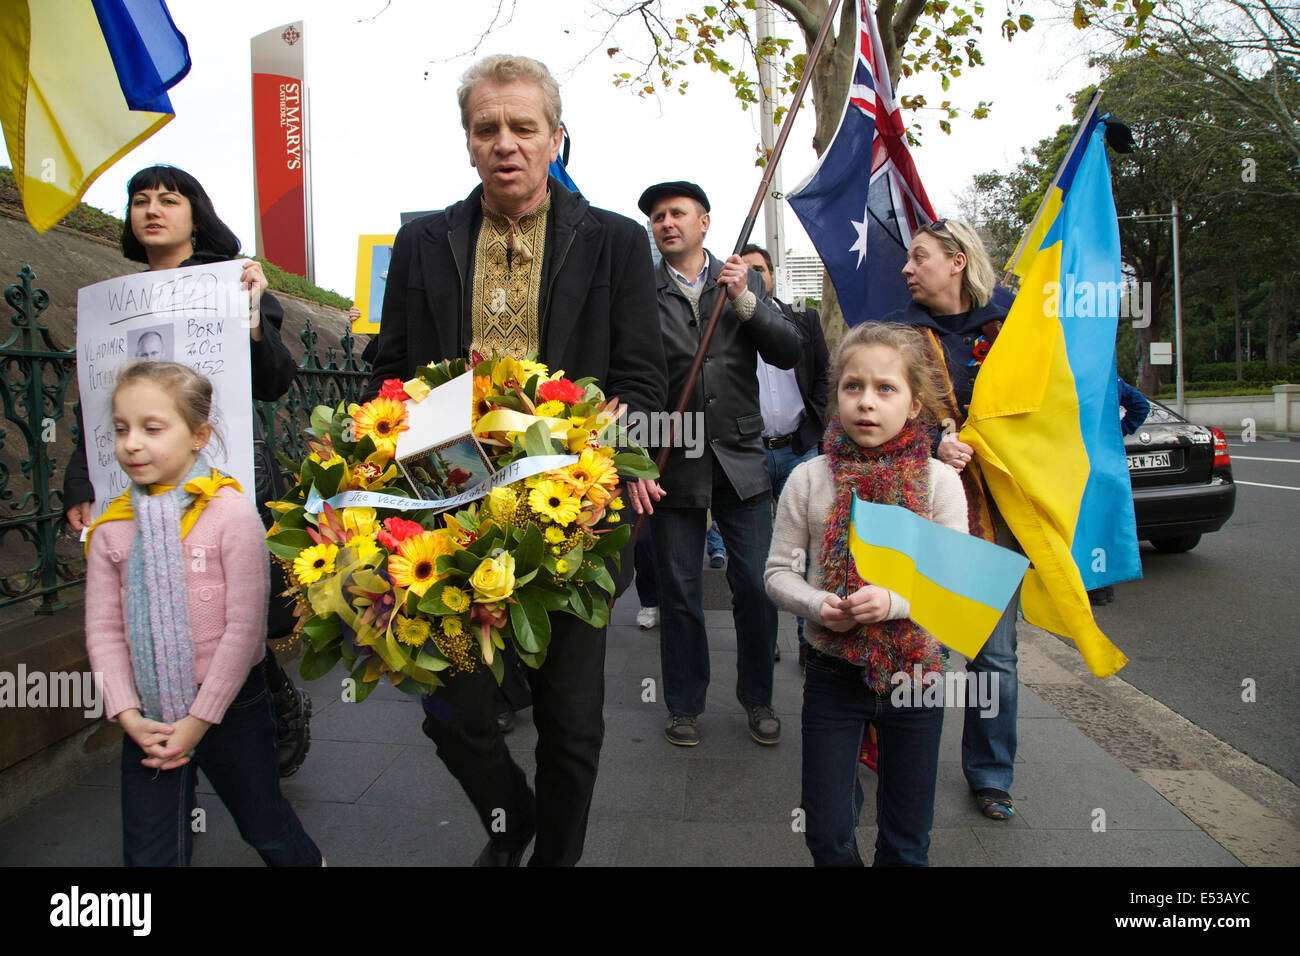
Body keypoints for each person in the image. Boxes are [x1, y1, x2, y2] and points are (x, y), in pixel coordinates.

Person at [365, 54, 667, 866]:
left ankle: (553, 859)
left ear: (555, 138)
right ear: (467, 143)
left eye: (523, 128)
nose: (505, 143)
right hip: (446, 508)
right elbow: (387, 371)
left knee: (570, 724)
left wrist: (619, 435)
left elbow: (643, 374)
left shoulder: (615, 242)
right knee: (451, 711)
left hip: (570, 511)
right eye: (486, 128)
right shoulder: (423, 242)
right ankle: (512, 819)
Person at [62, 165, 312, 777]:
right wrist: (81, 480)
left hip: (218, 481)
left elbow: (276, 380)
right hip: (142, 491)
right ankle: (171, 713)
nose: (152, 209)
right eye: (140, 200)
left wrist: (252, 319)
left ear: (194, 213)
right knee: (156, 595)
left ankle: (267, 702)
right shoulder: (112, 304)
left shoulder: (233, 285)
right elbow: (100, 403)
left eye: (169, 200)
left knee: (233, 599)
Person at [84, 362, 322, 866]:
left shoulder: (230, 514)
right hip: (148, 712)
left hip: (231, 705)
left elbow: (244, 630)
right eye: (122, 429)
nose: (131, 444)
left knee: (264, 822)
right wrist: (128, 713)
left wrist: (197, 721)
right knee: (149, 848)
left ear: (198, 436)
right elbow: (104, 632)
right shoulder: (113, 528)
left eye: (152, 428)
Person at [765, 322, 966, 866]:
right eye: (853, 387)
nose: (867, 403)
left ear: (915, 402)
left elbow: (955, 580)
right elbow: (778, 572)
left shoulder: (938, 482)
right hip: (832, 671)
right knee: (827, 831)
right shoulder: (809, 479)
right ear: (836, 397)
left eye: (885, 389)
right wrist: (816, 604)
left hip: (916, 672)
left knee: (906, 840)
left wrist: (896, 604)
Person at [639, 180, 802, 747]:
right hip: (672, 456)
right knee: (680, 591)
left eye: (677, 213)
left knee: (756, 586)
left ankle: (758, 698)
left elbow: (788, 350)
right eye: (657, 216)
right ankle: (684, 705)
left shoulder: (741, 279)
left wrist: (746, 302)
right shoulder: (640, 289)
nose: (666, 223)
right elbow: (630, 376)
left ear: (704, 222)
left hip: (741, 458)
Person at [883, 218, 1018, 821]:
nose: (906, 269)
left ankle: (990, 777)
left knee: (994, 658)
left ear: (958, 261)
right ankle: (899, 759)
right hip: (926, 514)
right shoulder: (899, 337)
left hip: (998, 517)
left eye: (919, 258)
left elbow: (1053, 400)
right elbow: (873, 423)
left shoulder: (1012, 328)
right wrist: (931, 445)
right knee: (918, 647)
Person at [740, 242, 830, 665]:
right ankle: (766, 637)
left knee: (810, 550)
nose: (755, 276)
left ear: (772, 275)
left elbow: (825, 375)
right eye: (746, 270)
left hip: (799, 448)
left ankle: (809, 639)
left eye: (760, 269)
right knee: (763, 554)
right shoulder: (730, 320)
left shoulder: (803, 320)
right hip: (751, 454)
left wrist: (818, 428)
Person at [1090, 377, 1150, 605]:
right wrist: (1116, 433)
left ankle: (1094, 587)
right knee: (1103, 524)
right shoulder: (1108, 377)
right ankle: (1103, 587)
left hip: (1083, 460)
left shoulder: (1074, 374)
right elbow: (1140, 406)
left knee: (1085, 524)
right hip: (1106, 458)